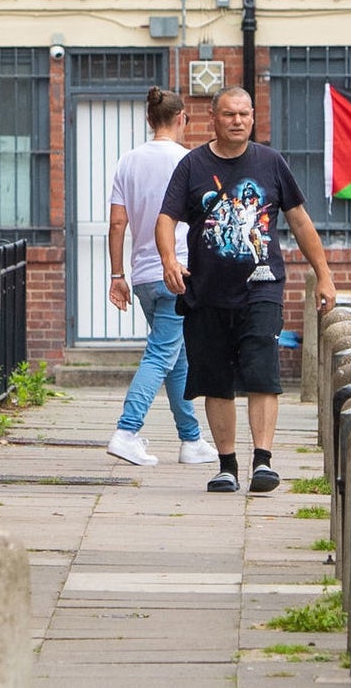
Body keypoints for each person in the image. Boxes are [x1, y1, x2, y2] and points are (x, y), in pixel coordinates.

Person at [157, 85, 334, 495]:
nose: (238, 121)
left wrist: (323, 274)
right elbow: (165, 218)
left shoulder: (271, 163)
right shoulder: (192, 166)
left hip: (262, 289)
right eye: (229, 114)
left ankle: (263, 462)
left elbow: (301, 223)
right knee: (215, 380)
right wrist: (168, 259)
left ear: (253, 117)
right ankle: (226, 465)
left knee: (262, 374)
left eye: (244, 114)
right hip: (206, 292)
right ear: (213, 119)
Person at [103, 85, 214, 467]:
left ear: (150, 120)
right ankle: (127, 431)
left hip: (143, 275)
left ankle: (192, 439)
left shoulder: (128, 162)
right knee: (161, 354)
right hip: (178, 271)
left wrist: (117, 274)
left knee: (176, 358)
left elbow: (118, 222)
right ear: (182, 118)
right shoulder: (191, 161)